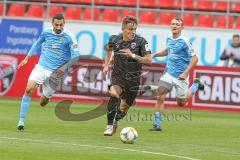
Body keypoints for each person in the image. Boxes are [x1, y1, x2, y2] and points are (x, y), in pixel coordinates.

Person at [17, 14, 80, 130]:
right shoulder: (46, 32)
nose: (59, 27)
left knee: (43, 103)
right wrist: (27, 58)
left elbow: (76, 56)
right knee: (28, 89)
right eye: (56, 24)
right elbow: (37, 43)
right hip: (41, 67)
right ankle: (21, 121)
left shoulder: (69, 36)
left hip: (55, 73)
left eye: (61, 25)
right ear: (52, 24)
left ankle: (47, 97)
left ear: (64, 24)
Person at [148, 17, 204, 131]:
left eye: (177, 24)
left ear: (182, 27)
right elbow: (167, 51)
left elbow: (195, 59)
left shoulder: (185, 42)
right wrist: (154, 55)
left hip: (181, 77)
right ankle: (157, 124)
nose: (174, 26)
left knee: (181, 103)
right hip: (168, 72)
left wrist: (185, 73)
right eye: (173, 24)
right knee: (160, 96)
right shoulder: (169, 38)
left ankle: (196, 85)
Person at [102, 16, 152, 136]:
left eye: (134, 29)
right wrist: (106, 64)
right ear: (123, 29)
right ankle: (109, 126)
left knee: (123, 108)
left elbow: (149, 60)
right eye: (130, 29)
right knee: (114, 93)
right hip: (118, 76)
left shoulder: (141, 42)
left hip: (133, 80)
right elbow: (108, 49)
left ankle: (115, 121)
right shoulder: (114, 39)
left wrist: (133, 55)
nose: (133, 32)